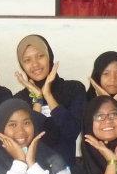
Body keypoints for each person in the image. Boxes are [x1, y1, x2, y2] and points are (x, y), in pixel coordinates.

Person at [12, 34, 85, 165]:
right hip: (32, 171)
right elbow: (27, 139)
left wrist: (48, 95)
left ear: (49, 56)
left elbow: (71, 132)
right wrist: (38, 99)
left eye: (40, 56)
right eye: (27, 60)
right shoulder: (19, 100)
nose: (35, 64)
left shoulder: (73, 89)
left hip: (66, 171)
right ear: (22, 65)